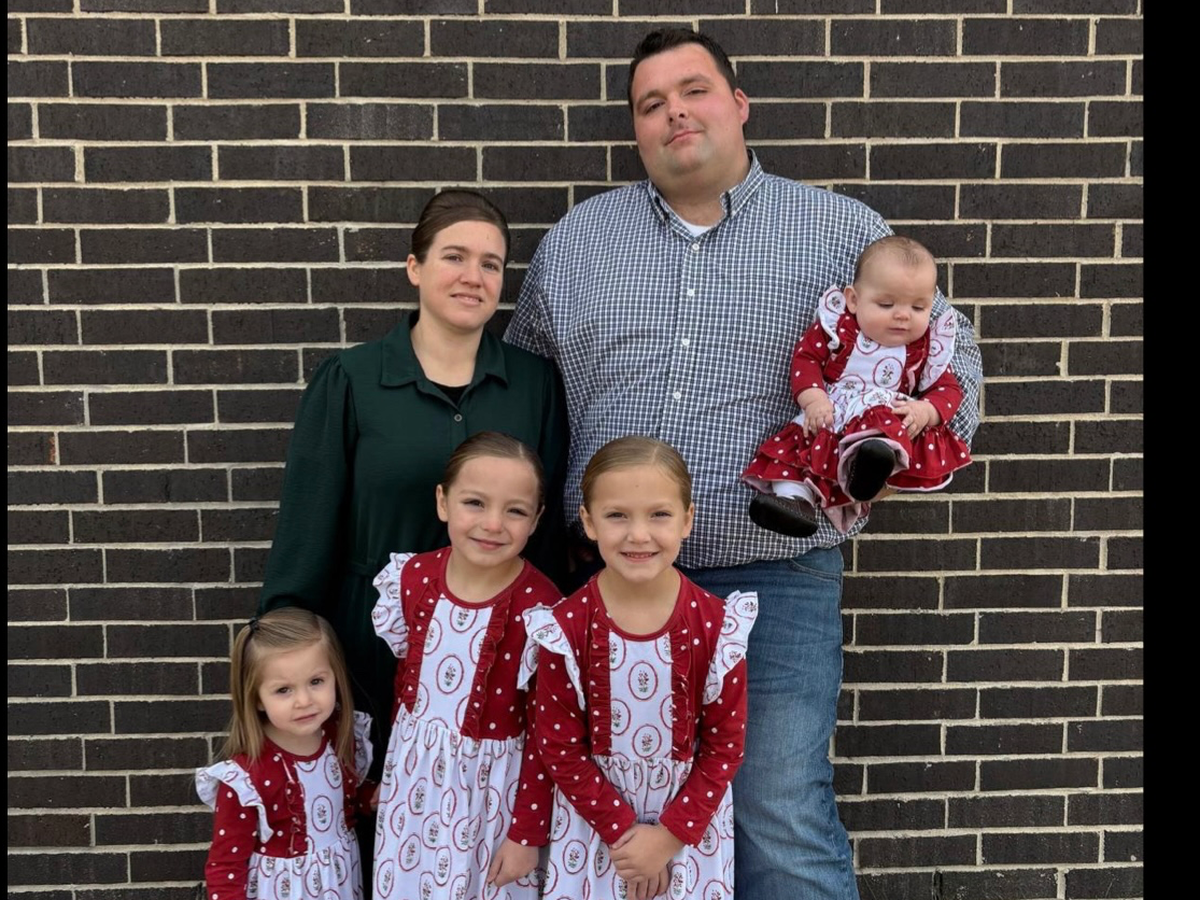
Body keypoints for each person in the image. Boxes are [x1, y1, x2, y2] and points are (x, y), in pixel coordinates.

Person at [505, 28, 982, 900]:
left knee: (777, 812)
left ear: (739, 104)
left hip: (775, 577)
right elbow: (525, 392)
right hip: (606, 588)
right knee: (609, 821)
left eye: (694, 91)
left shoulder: (841, 233)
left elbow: (951, 356)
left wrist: (897, 448)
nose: (675, 113)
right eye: (651, 104)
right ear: (636, 129)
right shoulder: (579, 242)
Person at [257, 190, 569, 891]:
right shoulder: (352, 380)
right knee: (375, 840)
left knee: (483, 854)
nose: (473, 276)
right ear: (414, 267)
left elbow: (546, 543)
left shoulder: (534, 385)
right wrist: (284, 666)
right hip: (367, 656)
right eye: (454, 256)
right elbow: (305, 534)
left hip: (497, 667)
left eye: (491, 263)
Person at [524, 436, 757, 900]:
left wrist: (667, 838)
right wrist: (624, 835)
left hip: (687, 835)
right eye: (617, 515)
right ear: (588, 522)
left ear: (687, 519)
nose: (638, 534)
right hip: (595, 831)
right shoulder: (565, 628)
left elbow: (724, 747)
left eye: (659, 515)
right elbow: (558, 747)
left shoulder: (717, 627)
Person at [369, 432, 561, 900]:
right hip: (412, 790)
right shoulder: (411, 580)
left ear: (536, 519)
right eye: (474, 503)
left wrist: (527, 833)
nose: (493, 524)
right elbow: (406, 689)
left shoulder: (542, 609)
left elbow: (547, 734)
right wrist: (388, 772)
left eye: (515, 511)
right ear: (443, 501)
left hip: (492, 800)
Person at [743, 235, 973, 538]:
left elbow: (949, 390)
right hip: (832, 412)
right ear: (853, 300)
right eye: (886, 304)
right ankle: (794, 501)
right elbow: (806, 360)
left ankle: (865, 470)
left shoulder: (926, 349)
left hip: (884, 419)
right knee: (797, 452)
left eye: (919, 308)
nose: (903, 315)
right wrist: (813, 399)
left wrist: (925, 410)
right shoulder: (838, 329)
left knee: (882, 435)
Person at [196, 607, 374, 900]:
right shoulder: (246, 779)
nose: (304, 701)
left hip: (339, 883)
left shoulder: (339, 737)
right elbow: (225, 867)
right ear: (256, 698)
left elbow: (343, 801)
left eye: (316, 682)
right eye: (283, 690)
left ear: (336, 677)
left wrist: (370, 797)